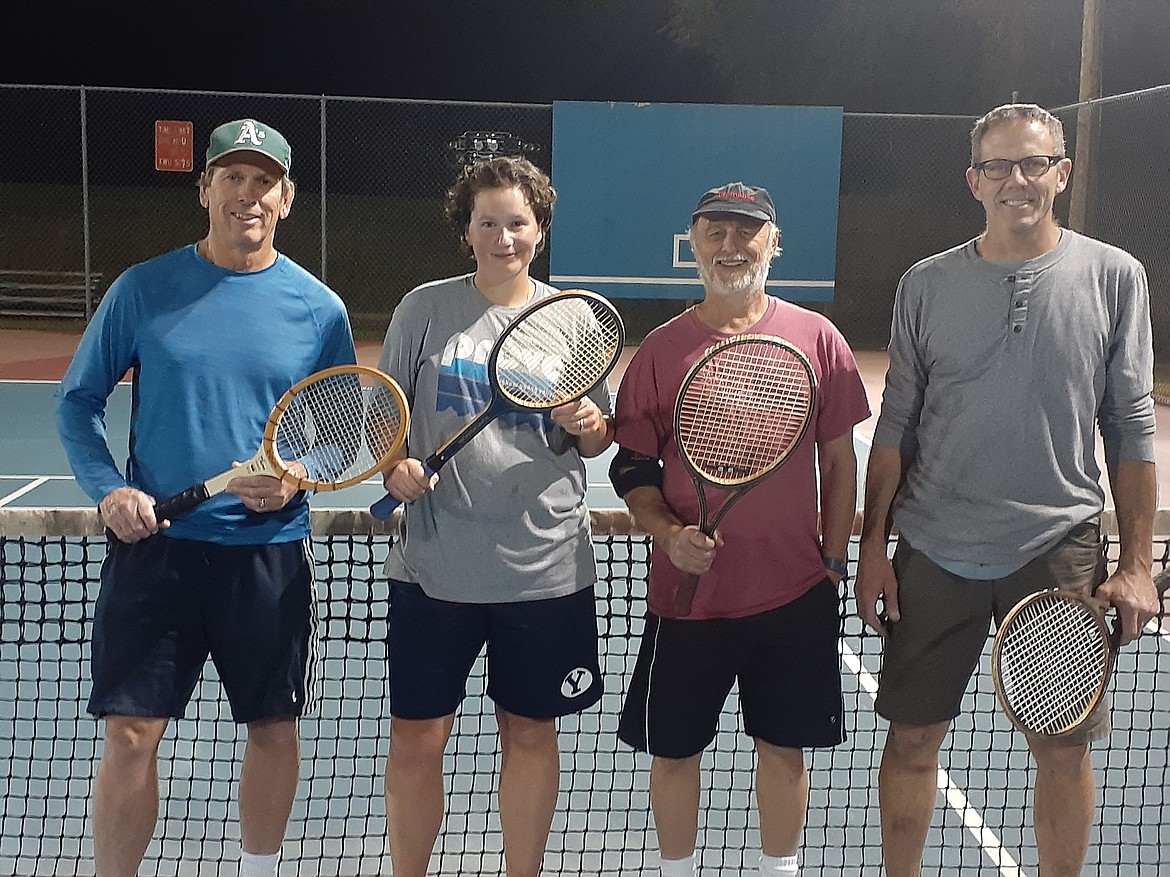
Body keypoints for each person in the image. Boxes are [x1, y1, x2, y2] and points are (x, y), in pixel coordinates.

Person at [854, 103, 1160, 877]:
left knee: (1061, 745)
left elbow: (1129, 425)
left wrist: (1133, 563)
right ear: (974, 180)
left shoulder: (1116, 275)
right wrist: (873, 549)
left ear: (1062, 172)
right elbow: (896, 428)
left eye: (1033, 164)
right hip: (935, 547)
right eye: (999, 166)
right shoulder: (925, 283)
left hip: (1058, 549)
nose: (1016, 180)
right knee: (912, 739)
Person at [55, 118, 356, 877]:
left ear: (286, 198)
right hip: (156, 551)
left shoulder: (319, 310)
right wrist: (109, 488)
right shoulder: (143, 289)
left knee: (274, 729)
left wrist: (294, 477)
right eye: (233, 178)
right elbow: (77, 402)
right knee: (129, 732)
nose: (247, 195)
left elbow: (345, 428)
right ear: (205, 190)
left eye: (263, 181)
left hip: (267, 557)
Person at [608, 182, 870, 877]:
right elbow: (631, 468)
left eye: (746, 232)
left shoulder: (819, 338)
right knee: (674, 752)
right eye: (715, 232)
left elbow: (840, 460)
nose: (731, 246)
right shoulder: (662, 351)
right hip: (685, 599)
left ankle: (778, 870)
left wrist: (835, 558)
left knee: (783, 749)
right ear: (691, 243)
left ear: (774, 243)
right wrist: (669, 536)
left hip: (794, 592)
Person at [377, 155, 608, 877]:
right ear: (466, 229)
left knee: (531, 732)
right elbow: (386, 417)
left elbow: (594, 437)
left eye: (517, 222)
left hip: (541, 570)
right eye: (488, 222)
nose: (503, 235)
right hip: (434, 568)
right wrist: (394, 467)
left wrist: (591, 420)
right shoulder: (425, 308)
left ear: (540, 229)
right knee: (417, 736)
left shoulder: (572, 319)